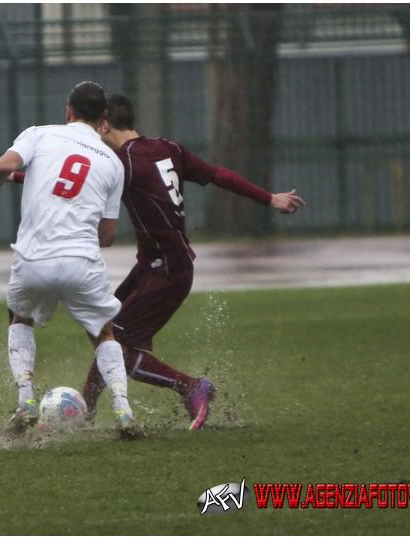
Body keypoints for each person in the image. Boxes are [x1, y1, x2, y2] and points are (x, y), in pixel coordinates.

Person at [79, 94, 306, 430]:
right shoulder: (168, 147)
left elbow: (76, 184)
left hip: (165, 272)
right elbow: (217, 174)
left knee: (116, 347)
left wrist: (19, 178)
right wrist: (270, 198)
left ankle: (190, 387)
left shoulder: (122, 162)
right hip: (158, 266)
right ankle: (86, 411)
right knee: (103, 330)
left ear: (105, 124)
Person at [0, 82, 144, 440]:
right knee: (103, 333)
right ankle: (123, 410)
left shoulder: (38, 135)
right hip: (81, 261)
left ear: (67, 111)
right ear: (104, 118)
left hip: (33, 260)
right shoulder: (113, 163)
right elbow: (109, 236)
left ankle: (25, 401)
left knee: (19, 316)